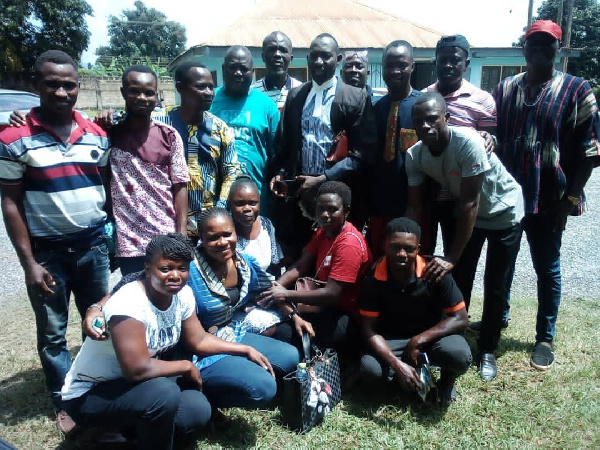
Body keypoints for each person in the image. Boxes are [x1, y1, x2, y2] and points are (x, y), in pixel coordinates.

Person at [62, 234, 275, 449]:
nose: (175, 275)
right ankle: (98, 430)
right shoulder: (128, 304)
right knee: (164, 393)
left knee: (195, 411)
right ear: (147, 268)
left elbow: (199, 340)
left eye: (182, 268)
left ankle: (125, 435)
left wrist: (245, 349)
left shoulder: (182, 295)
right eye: (165, 268)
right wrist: (185, 366)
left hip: (132, 388)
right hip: (91, 394)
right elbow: (137, 369)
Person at [0, 50, 110, 418]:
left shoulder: (97, 134)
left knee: (99, 320)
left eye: (68, 85)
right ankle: (66, 400)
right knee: (52, 333)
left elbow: (104, 186)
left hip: (93, 246)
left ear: (78, 86)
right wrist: (28, 262)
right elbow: (11, 203)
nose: (61, 92)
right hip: (47, 253)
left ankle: (96, 384)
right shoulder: (14, 138)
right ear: (36, 86)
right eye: (52, 85)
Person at [493, 20, 600, 370]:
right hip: (509, 199)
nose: (539, 49)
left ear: (558, 48)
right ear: (524, 48)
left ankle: (545, 337)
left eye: (547, 44)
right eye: (533, 43)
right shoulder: (505, 89)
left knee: (547, 267)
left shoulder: (577, 89)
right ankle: (501, 316)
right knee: (502, 266)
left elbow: (591, 153)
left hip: (551, 199)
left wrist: (570, 200)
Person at [406, 93, 524, 381]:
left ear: (447, 118)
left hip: (503, 212)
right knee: (461, 280)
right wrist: (410, 246)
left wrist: (450, 256)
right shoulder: (415, 155)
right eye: (419, 121)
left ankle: (487, 349)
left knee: (495, 283)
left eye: (432, 118)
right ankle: (455, 336)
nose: (425, 125)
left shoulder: (468, 142)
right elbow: (415, 204)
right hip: (470, 217)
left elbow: (471, 202)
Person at [424, 35, 506, 330]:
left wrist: (490, 138)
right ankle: (429, 316)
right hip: (431, 195)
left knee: (458, 262)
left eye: (455, 59)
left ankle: (457, 319)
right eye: (443, 58)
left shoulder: (482, 100)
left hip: (462, 199)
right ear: (435, 61)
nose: (448, 64)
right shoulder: (424, 96)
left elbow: (490, 141)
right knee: (425, 258)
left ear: (466, 63)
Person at [270, 33, 377, 260]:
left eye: (325, 57)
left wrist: (323, 179)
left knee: (335, 257)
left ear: (337, 60)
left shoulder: (355, 97)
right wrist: (280, 174)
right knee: (298, 256)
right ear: (308, 59)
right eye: (314, 57)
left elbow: (363, 153)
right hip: (300, 196)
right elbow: (285, 144)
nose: (319, 62)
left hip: (337, 196)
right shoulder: (296, 95)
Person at [359, 218, 471, 404]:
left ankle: (447, 381)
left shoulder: (435, 272)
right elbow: (368, 330)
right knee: (370, 370)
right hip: (393, 339)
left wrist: (417, 341)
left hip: (432, 338)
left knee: (457, 354)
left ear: (418, 248)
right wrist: (396, 364)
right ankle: (406, 377)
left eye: (409, 248)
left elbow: (460, 318)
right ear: (384, 245)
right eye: (395, 247)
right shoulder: (373, 279)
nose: (402, 254)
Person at [186, 208, 300, 392]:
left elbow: (269, 288)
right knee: (264, 387)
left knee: (291, 356)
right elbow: (193, 338)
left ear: (235, 233)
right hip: (201, 347)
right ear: (202, 239)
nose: (222, 242)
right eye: (213, 237)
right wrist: (245, 350)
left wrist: (295, 316)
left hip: (232, 332)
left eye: (227, 234)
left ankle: (236, 371)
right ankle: (204, 395)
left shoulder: (244, 263)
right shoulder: (190, 271)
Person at [259, 181, 372, 353]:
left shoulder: (349, 244)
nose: (325, 215)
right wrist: (277, 286)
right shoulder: (324, 232)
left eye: (332, 209)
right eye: (320, 208)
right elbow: (301, 265)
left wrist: (285, 294)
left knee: (283, 332)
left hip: (344, 315)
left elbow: (332, 294)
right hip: (321, 305)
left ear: (347, 211)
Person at [109, 66, 189, 276]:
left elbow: (180, 186)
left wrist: (181, 235)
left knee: (168, 298)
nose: (142, 97)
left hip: (165, 236)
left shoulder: (169, 136)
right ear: (123, 92)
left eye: (149, 92)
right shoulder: (109, 134)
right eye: (134, 91)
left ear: (157, 96)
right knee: (135, 299)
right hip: (129, 241)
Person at [157, 61, 241, 238]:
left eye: (211, 87)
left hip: (208, 229)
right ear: (180, 88)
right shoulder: (160, 123)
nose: (209, 93)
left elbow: (230, 173)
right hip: (166, 223)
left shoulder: (220, 129)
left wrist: (218, 211)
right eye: (201, 87)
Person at [210, 45, 280, 215]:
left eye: (243, 68)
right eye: (233, 67)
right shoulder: (209, 100)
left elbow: (277, 153)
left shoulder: (266, 105)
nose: (238, 73)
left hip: (254, 199)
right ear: (223, 69)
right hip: (213, 196)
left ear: (253, 71)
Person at [368, 40, 421, 259]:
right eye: (389, 66)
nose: (395, 71)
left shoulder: (423, 107)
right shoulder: (376, 108)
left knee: (413, 265)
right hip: (381, 203)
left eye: (401, 65)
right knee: (381, 262)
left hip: (415, 204)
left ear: (412, 66)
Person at [228, 175, 283, 276]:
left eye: (253, 203)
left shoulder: (266, 225)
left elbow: (275, 264)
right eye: (240, 204)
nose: (247, 208)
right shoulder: (224, 231)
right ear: (230, 205)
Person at [250, 31, 303, 111]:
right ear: (263, 57)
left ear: (291, 58)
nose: (277, 54)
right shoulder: (252, 93)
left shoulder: (301, 91)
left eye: (283, 50)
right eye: (272, 50)